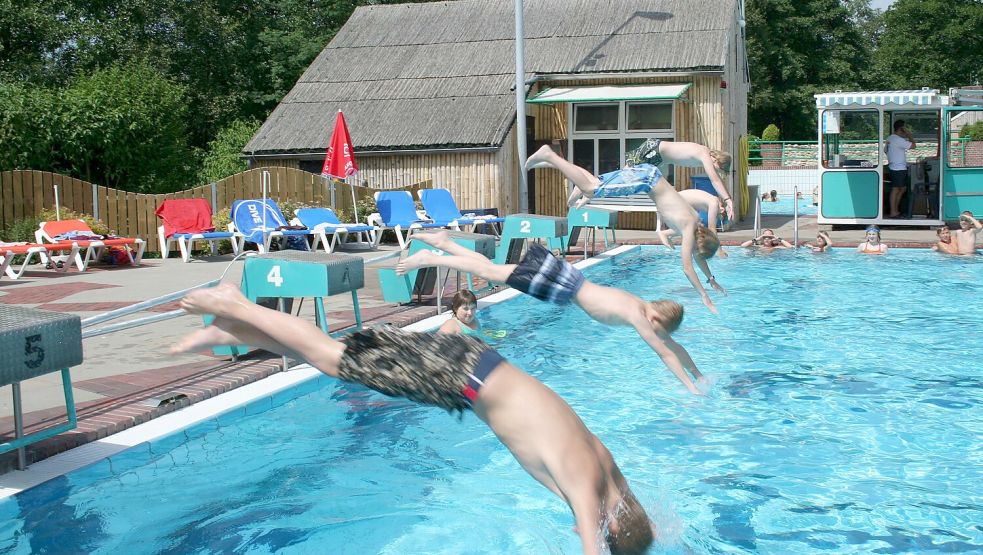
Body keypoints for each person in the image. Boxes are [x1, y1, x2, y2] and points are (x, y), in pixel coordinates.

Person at [173, 284, 654, 555]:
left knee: (336, 359)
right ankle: (234, 304)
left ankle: (238, 325)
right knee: (332, 358)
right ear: (607, 521)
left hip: (477, 361)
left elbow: (628, 514)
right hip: (462, 378)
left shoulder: (606, 468)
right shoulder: (588, 490)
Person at [397, 231, 709, 393]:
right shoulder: (639, 318)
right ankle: (431, 257)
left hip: (567, 277)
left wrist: (698, 373)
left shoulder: (639, 303)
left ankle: (446, 243)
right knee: (491, 274)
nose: (658, 334)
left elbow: (673, 345)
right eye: (660, 329)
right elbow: (666, 353)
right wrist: (690, 386)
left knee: (492, 270)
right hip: (562, 287)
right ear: (657, 319)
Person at [526, 143, 726, 311]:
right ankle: (549, 155)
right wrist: (704, 296)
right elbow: (688, 267)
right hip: (647, 180)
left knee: (592, 185)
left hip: (650, 176)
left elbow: (697, 259)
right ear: (697, 247)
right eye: (695, 252)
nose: (691, 253)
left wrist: (711, 278)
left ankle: (559, 166)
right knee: (590, 188)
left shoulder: (693, 223)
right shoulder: (688, 229)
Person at [663, 189, 729, 258]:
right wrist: (719, 251)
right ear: (722, 209)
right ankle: (666, 234)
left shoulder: (713, 200)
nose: (716, 216)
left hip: (675, 199)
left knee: (694, 226)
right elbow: (712, 229)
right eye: (718, 215)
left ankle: (667, 234)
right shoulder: (714, 203)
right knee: (690, 228)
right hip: (675, 201)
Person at [885, 120, 916, 218]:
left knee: (902, 188)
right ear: (901, 129)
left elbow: (885, 151)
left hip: (894, 167)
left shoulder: (890, 138)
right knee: (896, 189)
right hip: (898, 168)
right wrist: (909, 135)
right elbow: (913, 146)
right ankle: (893, 211)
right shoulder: (898, 140)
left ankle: (895, 210)